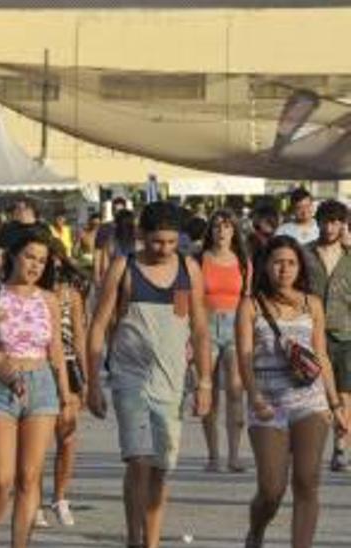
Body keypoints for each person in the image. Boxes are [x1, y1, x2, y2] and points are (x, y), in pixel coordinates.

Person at [86, 201, 213, 548]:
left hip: (171, 382)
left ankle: (151, 541)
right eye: (157, 242)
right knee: (139, 460)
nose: (164, 250)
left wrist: (205, 381)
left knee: (160, 467)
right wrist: (93, 382)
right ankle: (134, 538)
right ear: (142, 236)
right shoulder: (123, 267)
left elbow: (198, 328)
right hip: (130, 378)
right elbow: (97, 327)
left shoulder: (188, 269)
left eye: (172, 243)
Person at [236, 235, 349, 547]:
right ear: (266, 266)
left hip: (309, 402)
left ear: (300, 267)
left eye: (290, 263)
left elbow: (321, 355)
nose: (283, 269)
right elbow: (244, 356)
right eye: (277, 262)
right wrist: (254, 396)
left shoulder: (311, 304)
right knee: (271, 488)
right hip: (268, 404)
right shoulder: (250, 305)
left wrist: (336, 404)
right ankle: (256, 529)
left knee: (307, 482)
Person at [0, 230, 71, 548]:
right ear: (13, 256)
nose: (35, 266)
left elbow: (56, 347)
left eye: (42, 261)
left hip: (41, 384)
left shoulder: (49, 300)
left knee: (30, 478)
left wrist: (66, 392)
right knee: (2, 479)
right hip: (0, 384)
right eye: (30, 257)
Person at [40, 240, 90, 528]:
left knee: (67, 436)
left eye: (57, 260)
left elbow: (80, 337)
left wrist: (87, 377)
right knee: (37, 441)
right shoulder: (31, 294)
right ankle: (32, 501)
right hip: (37, 364)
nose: (54, 266)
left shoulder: (72, 296)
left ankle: (60, 497)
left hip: (68, 364)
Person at [199, 210, 250, 473]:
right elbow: (185, 297)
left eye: (227, 226)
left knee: (235, 389)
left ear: (234, 231)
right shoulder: (199, 259)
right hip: (206, 327)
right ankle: (213, 455)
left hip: (234, 326)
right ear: (211, 230)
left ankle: (234, 454)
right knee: (208, 391)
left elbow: (248, 299)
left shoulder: (243, 261)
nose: (222, 231)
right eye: (217, 226)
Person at [306, 199, 351, 472]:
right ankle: (311, 449)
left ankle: (341, 447)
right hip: (312, 332)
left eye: (336, 221)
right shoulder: (304, 253)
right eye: (326, 221)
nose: (330, 226)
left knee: (346, 395)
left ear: (343, 224)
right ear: (318, 222)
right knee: (317, 396)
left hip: (347, 333)